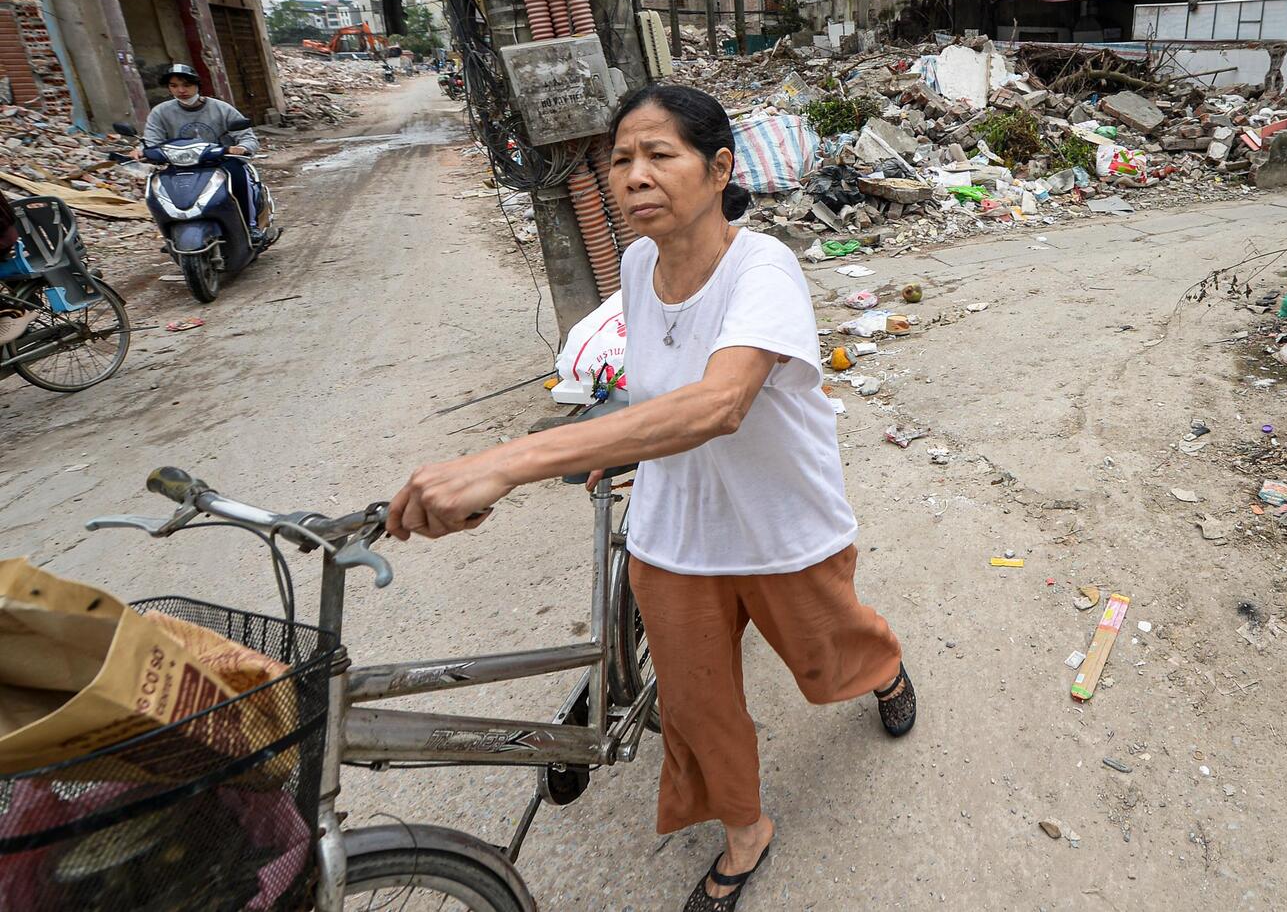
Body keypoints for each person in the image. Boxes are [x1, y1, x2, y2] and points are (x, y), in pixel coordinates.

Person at [388, 83, 912, 912]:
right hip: (674, 536)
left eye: (660, 154)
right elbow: (656, 384)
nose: (634, 175)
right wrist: (621, 443)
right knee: (700, 709)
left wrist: (509, 461)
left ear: (718, 168)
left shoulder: (763, 267)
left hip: (780, 526)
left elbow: (718, 402)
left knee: (827, 659)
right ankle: (745, 833)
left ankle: (882, 670)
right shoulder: (636, 263)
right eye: (621, 160)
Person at [141, 64, 266, 235]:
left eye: (186, 85)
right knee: (157, 190)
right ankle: (169, 233)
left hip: (220, 162)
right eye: (174, 86)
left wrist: (242, 147)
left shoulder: (220, 108)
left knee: (238, 178)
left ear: (197, 85)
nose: (181, 90)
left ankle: (250, 226)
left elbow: (247, 136)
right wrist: (142, 150)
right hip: (180, 165)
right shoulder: (160, 112)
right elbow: (151, 140)